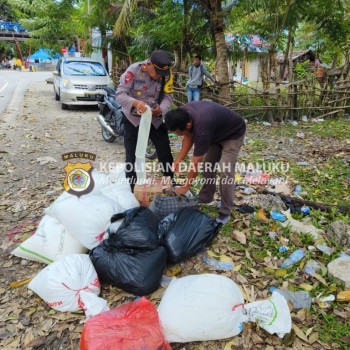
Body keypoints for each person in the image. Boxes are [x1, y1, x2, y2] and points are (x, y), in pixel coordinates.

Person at [164, 101, 246, 225]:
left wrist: (186, 187)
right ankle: (206, 197)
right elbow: (187, 136)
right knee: (208, 166)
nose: (179, 135)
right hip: (215, 133)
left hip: (233, 134)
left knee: (226, 171)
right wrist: (179, 160)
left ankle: (225, 211)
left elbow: (195, 161)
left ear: (188, 124)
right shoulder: (181, 114)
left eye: (179, 133)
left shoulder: (202, 127)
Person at [116, 50, 174, 189]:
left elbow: (168, 96)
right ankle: (133, 189)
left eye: (162, 74)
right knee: (132, 156)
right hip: (133, 119)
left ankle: (170, 183)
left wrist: (161, 109)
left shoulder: (167, 74)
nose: (160, 76)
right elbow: (120, 95)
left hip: (155, 119)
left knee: (165, 151)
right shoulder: (134, 71)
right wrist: (136, 104)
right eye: (157, 72)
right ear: (148, 64)